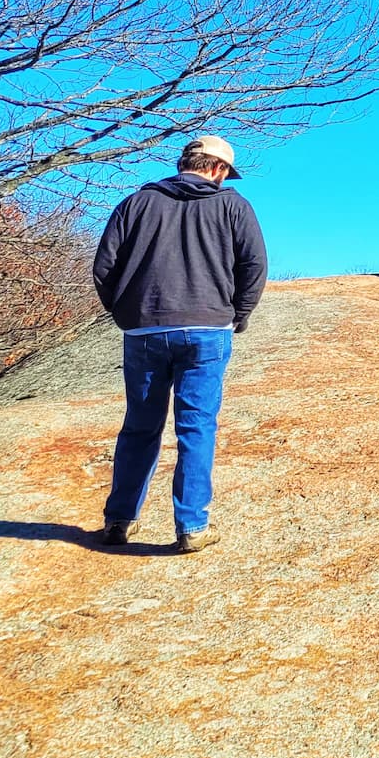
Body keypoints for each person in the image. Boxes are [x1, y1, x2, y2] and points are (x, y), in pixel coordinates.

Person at [90, 135, 268, 554]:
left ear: (186, 162)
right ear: (218, 169)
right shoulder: (232, 206)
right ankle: (191, 527)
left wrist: (127, 314)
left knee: (139, 427)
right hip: (208, 329)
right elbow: (254, 265)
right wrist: (236, 315)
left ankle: (119, 521)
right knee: (196, 426)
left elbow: (104, 267)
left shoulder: (136, 204)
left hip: (144, 332)